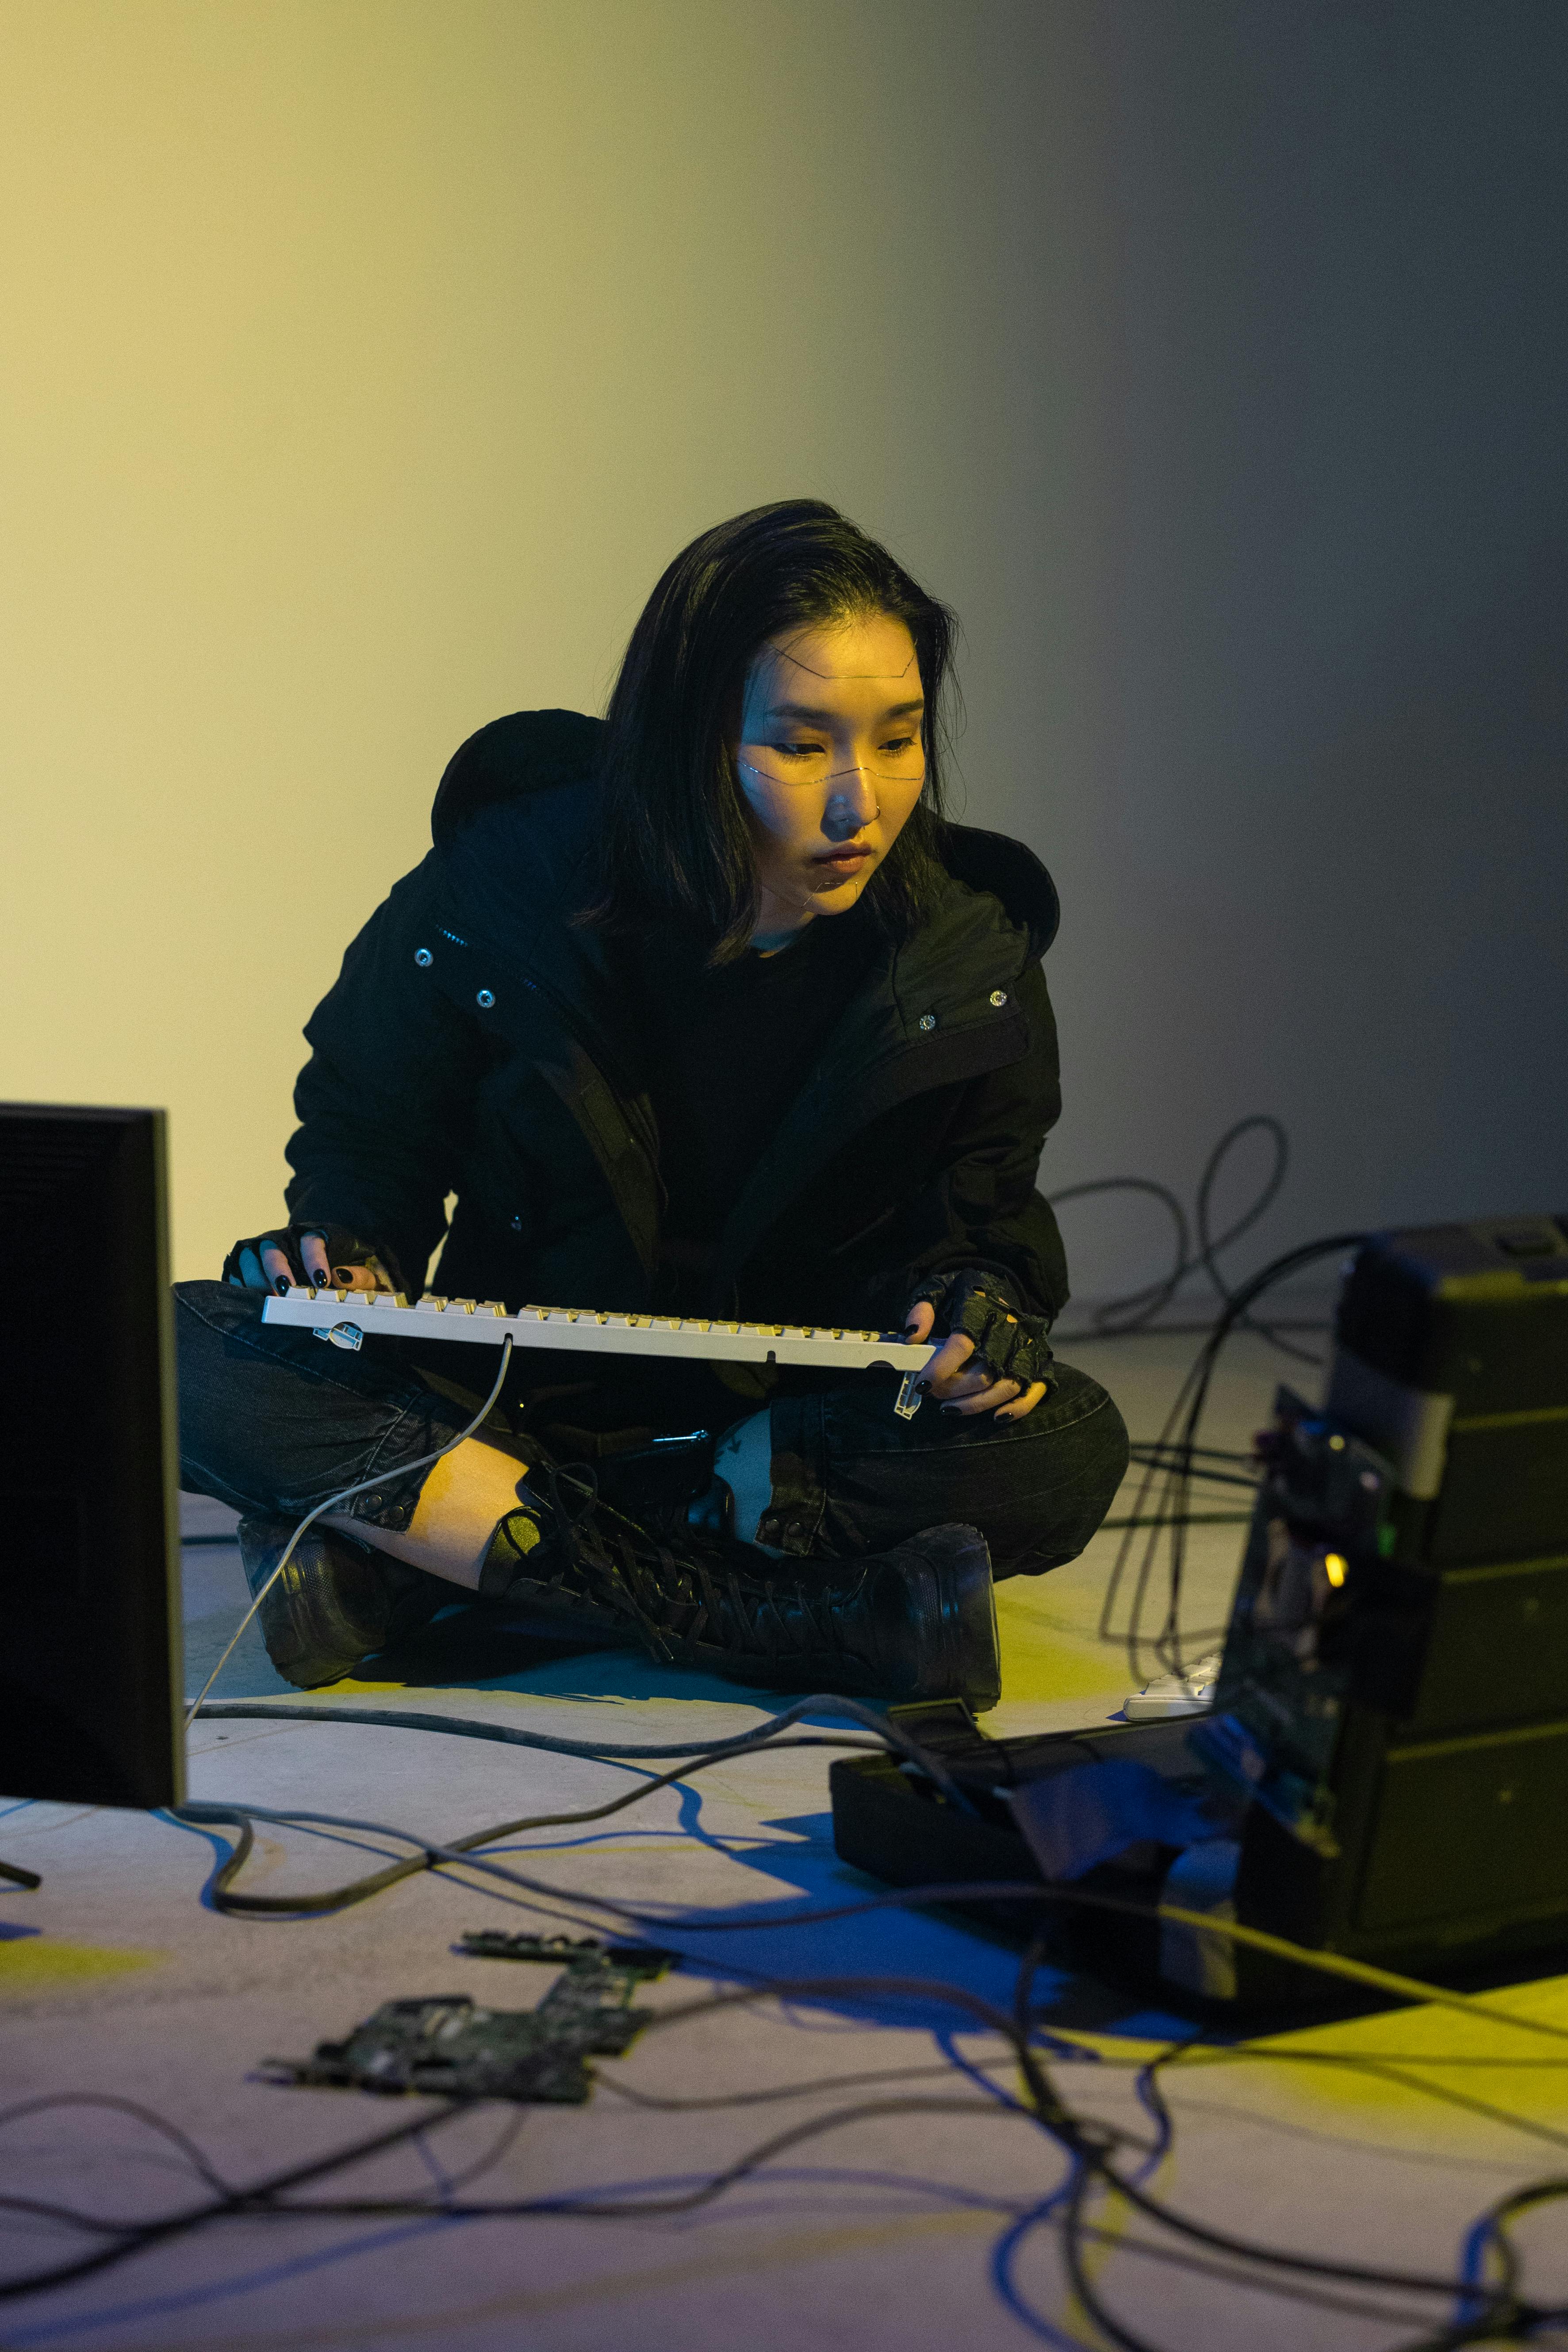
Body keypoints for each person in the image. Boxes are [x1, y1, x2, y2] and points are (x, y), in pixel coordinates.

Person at [176, 500, 1129, 1708]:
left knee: (1067, 1446)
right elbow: (372, 1128)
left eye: (896, 740)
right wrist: (343, 1249)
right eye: (799, 746)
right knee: (183, 1346)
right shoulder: (505, 882)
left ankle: (428, 1566)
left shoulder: (961, 953)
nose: (860, 805)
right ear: (686, 740)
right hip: (505, 1395)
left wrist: (971, 1308)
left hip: (782, 1432)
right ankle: (788, 1615)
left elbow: (973, 1221)